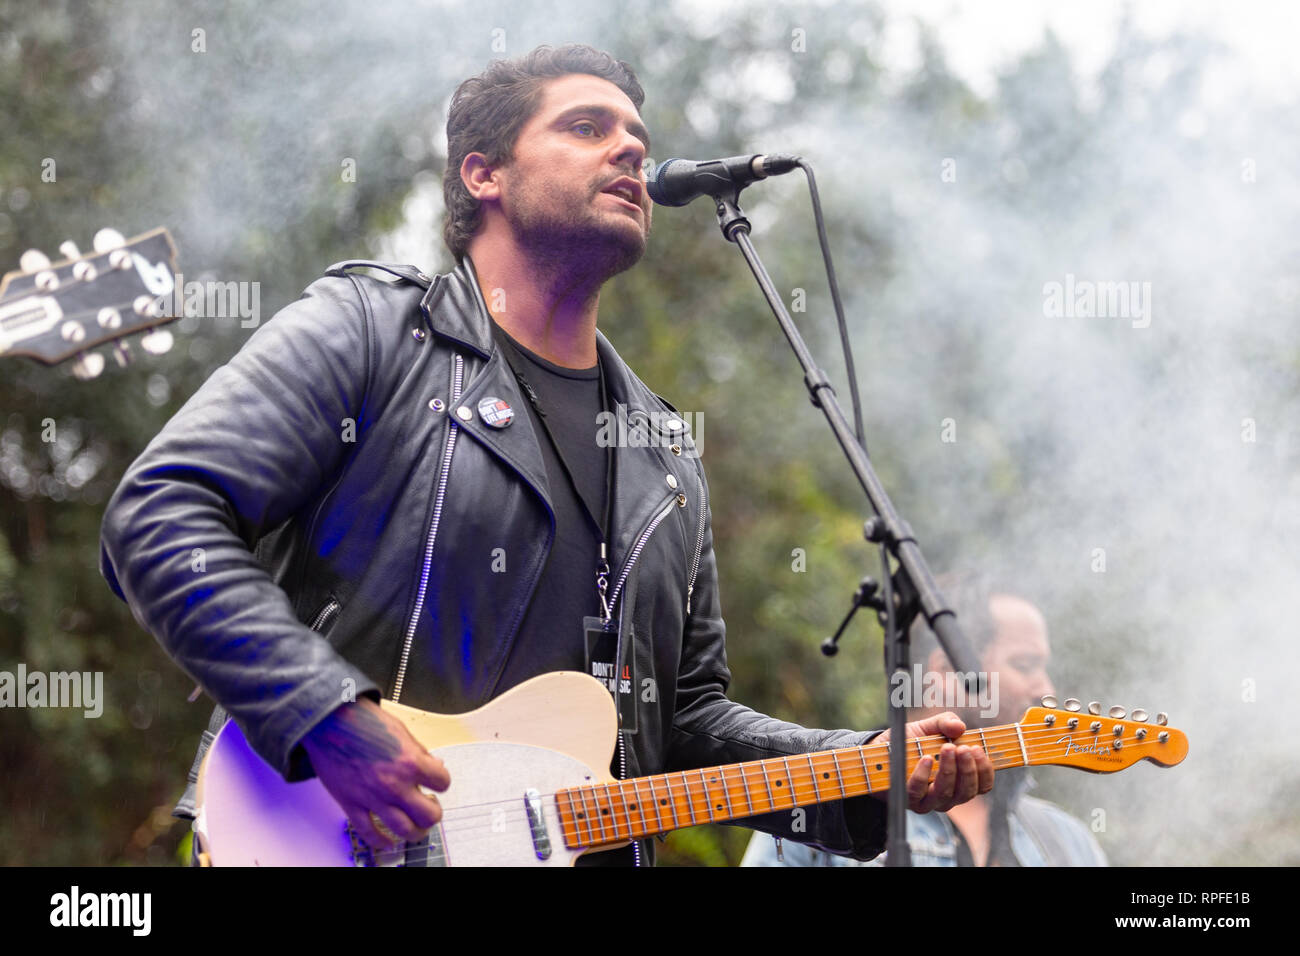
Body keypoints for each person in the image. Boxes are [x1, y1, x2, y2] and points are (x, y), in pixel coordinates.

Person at [99, 44, 993, 867]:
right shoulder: (375, 331)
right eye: (586, 127)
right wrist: (326, 716)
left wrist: (862, 767)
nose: (631, 152)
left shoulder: (665, 456)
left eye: (638, 137)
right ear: (482, 174)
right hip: (329, 836)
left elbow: (681, 720)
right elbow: (160, 514)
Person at [741, 573, 1107, 866]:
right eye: (1025, 665)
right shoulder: (811, 821)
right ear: (947, 673)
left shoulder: (1067, 842)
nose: (1046, 689)